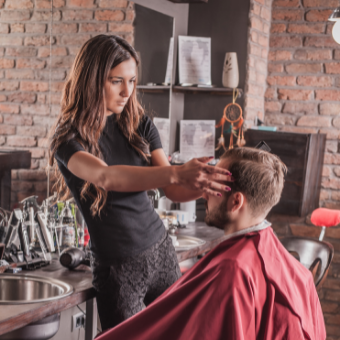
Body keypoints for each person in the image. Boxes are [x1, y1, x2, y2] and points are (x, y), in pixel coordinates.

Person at [49, 34, 232, 331]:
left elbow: (172, 189)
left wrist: (204, 183)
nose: (127, 91)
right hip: (118, 270)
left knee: (179, 335)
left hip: (160, 251)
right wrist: (176, 171)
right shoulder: (68, 140)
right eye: (116, 81)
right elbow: (105, 177)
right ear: (92, 80)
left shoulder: (139, 123)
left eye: (132, 81)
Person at [95, 147, 326, 340]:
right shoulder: (298, 274)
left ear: (235, 202)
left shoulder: (233, 271)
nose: (203, 194)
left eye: (212, 187)